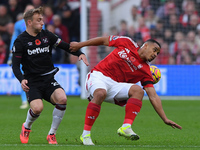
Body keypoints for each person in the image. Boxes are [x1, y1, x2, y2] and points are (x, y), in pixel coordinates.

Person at [70, 35, 182, 145]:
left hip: (115, 86)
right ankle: (85, 135)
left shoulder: (146, 71)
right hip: (99, 76)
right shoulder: (127, 42)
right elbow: (104, 40)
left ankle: (126, 127)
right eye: (154, 50)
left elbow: (153, 96)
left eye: (157, 53)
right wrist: (80, 45)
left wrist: (165, 118)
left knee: (138, 91)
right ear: (146, 46)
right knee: (100, 93)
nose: (155, 55)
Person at [11, 6, 89, 144]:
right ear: (29, 22)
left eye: (42, 19)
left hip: (48, 80)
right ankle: (26, 127)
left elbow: (66, 46)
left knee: (62, 98)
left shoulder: (47, 35)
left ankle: (52, 134)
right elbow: (15, 66)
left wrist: (80, 53)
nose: (42, 22)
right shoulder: (20, 41)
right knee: (37, 108)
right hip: (32, 82)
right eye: (39, 20)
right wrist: (21, 79)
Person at [7, 4, 44, 109]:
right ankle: (25, 100)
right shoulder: (18, 24)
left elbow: (44, 37)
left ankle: (38, 98)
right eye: (28, 10)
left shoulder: (40, 24)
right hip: (23, 53)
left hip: (35, 53)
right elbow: (14, 38)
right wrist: (11, 54)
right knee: (23, 77)